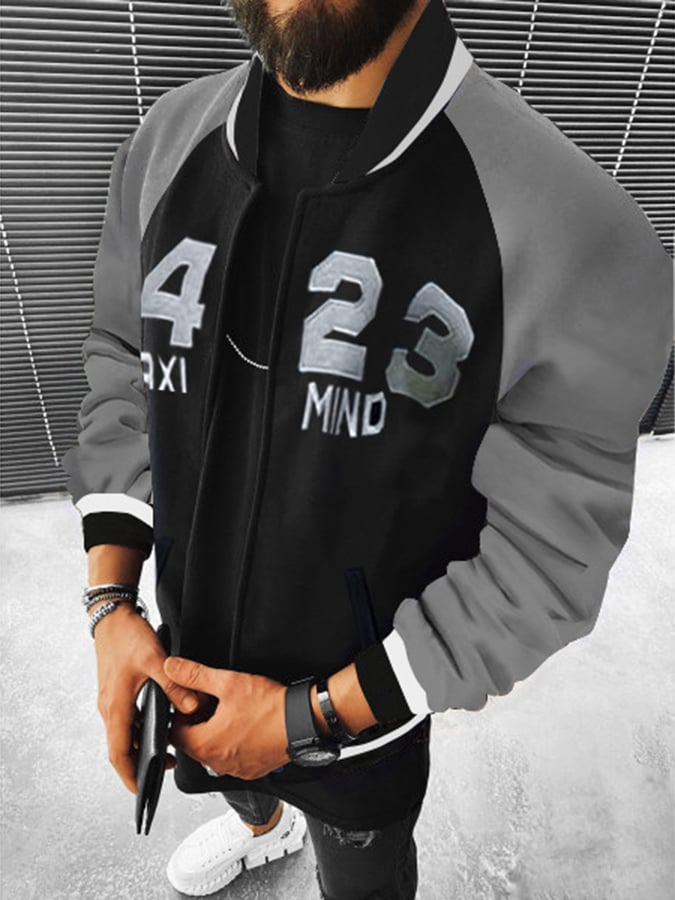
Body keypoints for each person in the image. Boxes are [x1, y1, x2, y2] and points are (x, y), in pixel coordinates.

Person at [60, 0, 673, 896]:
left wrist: (305, 717)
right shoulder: (166, 140)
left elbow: (547, 562)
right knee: (229, 778)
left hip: (361, 715)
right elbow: (124, 355)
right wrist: (112, 602)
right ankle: (261, 829)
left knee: (363, 875)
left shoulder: (581, 232)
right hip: (185, 657)